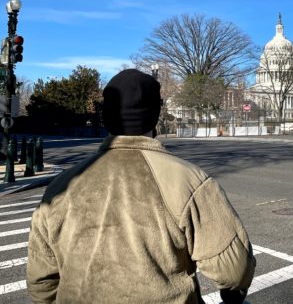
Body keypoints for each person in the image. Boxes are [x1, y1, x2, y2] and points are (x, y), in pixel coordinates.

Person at [27, 69, 255, 304]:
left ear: (106, 117)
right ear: (155, 115)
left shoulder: (60, 187)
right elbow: (235, 271)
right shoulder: (190, 181)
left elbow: (41, 284)